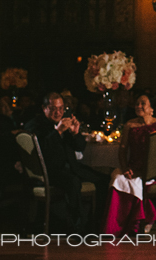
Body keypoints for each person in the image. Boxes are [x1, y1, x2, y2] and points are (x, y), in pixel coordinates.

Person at [24, 92, 109, 231]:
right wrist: (57, 132)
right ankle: (77, 226)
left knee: (104, 180)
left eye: (61, 108)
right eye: (53, 108)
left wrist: (75, 133)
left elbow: (80, 147)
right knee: (73, 182)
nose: (58, 112)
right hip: (48, 171)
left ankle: (97, 223)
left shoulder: (64, 121)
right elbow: (42, 151)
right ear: (44, 108)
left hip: (71, 167)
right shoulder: (34, 125)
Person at [104, 94, 156, 236]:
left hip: (153, 170)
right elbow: (122, 149)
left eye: (143, 103)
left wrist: (147, 171)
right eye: (137, 103)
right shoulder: (129, 125)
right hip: (133, 167)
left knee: (136, 182)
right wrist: (126, 168)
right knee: (118, 179)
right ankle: (116, 226)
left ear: (151, 108)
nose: (138, 106)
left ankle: (138, 222)